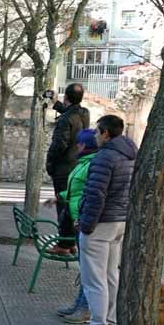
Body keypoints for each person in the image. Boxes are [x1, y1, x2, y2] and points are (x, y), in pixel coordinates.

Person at [71, 115, 136, 325]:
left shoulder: (104, 157)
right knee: (110, 275)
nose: (96, 136)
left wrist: (86, 224)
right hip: (119, 221)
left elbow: (96, 195)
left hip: (100, 223)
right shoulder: (130, 155)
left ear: (106, 133)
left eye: (98, 132)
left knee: (94, 278)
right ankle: (109, 320)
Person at [45, 129, 99, 325]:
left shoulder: (92, 164)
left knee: (88, 270)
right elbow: (76, 190)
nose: (76, 146)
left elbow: (91, 193)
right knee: (84, 268)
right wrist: (59, 197)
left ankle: (85, 309)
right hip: (79, 219)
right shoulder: (83, 163)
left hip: (85, 222)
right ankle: (79, 304)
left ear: (84, 146)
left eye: (79, 143)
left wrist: (83, 219)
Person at [46, 84, 90, 250]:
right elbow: (72, 114)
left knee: (63, 207)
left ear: (67, 98)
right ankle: (70, 241)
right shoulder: (84, 114)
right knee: (72, 203)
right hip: (77, 165)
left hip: (63, 168)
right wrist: (56, 103)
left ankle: (64, 243)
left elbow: (59, 145)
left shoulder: (65, 120)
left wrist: (50, 163)